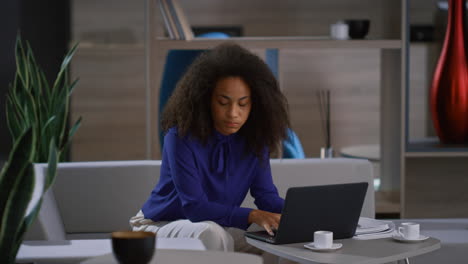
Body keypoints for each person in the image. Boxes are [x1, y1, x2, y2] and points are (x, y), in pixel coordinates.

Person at [130, 42, 291, 254]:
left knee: (280, 237)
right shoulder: (180, 137)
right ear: (205, 99)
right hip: (159, 225)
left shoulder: (255, 140)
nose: (234, 113)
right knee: (212, 233)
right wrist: (253, 215)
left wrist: (300, 215)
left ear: (257, 104)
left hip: (217, 227)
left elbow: (266, 197)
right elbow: (195, 207)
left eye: (243, 104)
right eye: (223, 102)